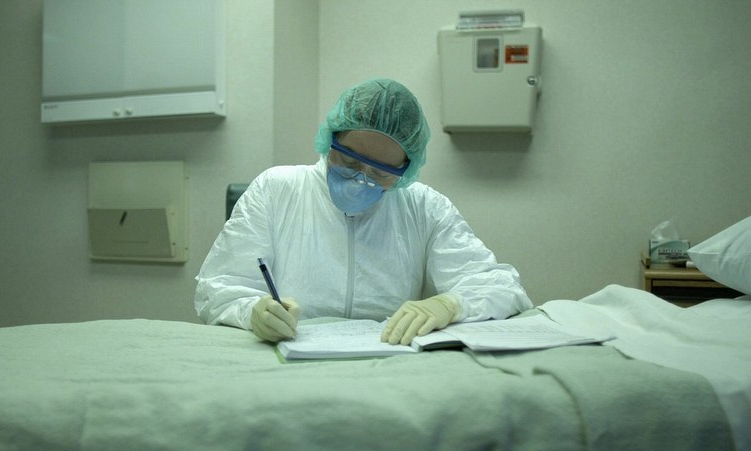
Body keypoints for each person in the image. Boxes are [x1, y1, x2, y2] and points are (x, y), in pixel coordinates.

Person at [194, 78, 532, 345]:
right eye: (350, 161)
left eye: (380, 173)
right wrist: (252, 312)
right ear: (329, 141)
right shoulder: (276, 190)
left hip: (386, 365)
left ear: (406, 170)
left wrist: (450, 305)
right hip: (288, 360)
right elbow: (217, 289)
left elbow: (502, 289)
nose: (360, 180)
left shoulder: (424, 208)